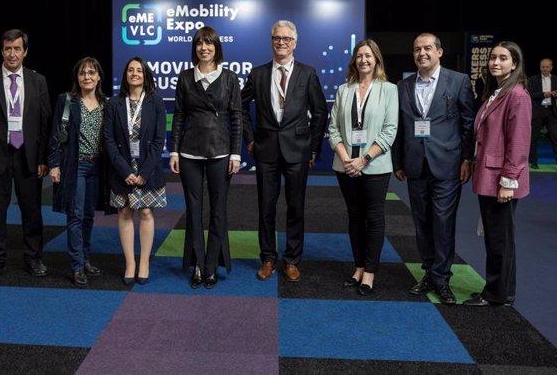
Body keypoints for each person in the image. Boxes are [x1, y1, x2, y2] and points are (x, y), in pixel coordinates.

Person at [392, 32, 475, 305]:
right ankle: (428, 272)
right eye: (417, 49)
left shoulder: (459, 81)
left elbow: (467, 123)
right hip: (415, 166)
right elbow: (401, 127)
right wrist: (399, 162)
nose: (422, 53)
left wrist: (467, 159)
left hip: (448, 165)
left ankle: (441, 279)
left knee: (442, 223)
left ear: (439, 52)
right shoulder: (402, 86)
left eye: (427, 48)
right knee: (422, 223)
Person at [241, 20, 328, 283]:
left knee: (295, 207)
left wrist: (313, 146)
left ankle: (291, 259)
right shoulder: (257, 74)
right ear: (271, 41)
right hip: (265, 149)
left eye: (287, 39)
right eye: (277, 38)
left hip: (297, 151)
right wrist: (250, 138)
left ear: (295, 43)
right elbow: (240, 108)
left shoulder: (308, 73)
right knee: (266, 208)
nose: (282, 42)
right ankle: (268, 258)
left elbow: (321, 112)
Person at [0, 29, 51, 280]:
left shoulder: (39, 81)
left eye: (17, 48)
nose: (12, 53)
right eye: (8, 49)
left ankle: (33, 258)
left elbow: (45, 123)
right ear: (1, 51)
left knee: (32, 211)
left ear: (25, 51)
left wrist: (43, 158)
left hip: (29, 156)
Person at [170, 26, 242, 289]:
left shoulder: (230, 78)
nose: (204, 47)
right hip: (189, 151)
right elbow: (179, 115)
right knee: (194, 211)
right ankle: (198, 265)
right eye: (200, 43)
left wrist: (236, 152)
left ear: (216, 47)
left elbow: (236, 116)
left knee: (218, 210)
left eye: (209, 43)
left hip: (221, 151)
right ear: (195, 48)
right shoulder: (185, 77)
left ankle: (211, 266)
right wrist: (174, 150)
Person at [328, 39, 398, 296]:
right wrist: (347, 158)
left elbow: (390, 130)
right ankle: (358, 267)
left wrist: (363, 159)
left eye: (368, 56)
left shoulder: (389, 90)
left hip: (375, 165)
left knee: (374, 218)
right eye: (359, 56)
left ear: (376, 59)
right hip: (345, 165)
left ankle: (370, 271)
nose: (364, 60)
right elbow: (333, 128)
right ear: (354, 61)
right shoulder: (344, 90)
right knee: (354, 217)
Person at [464, 41, 531, 307]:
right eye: (493, 57)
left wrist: (507, 182)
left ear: (515, 63)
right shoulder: (497, 92)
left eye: (503, 58)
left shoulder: (517, 95)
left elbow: (519, 143)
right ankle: (503, 292)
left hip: (501, 180)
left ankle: (495, 295)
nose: (496, 62)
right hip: (489, 175)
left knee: (499, 240)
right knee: (498, 239)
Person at [105, 57, 166, 286]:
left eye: (139, 70)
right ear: (125, 75)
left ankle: (144, 263)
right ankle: (130, 262)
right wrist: (124, 170)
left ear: (145, 75)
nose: (134, 73)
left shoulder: (156, 102)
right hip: (123, 169)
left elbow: (160, 140)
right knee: (125, 213)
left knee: (147, 213)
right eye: (130, 70)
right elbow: (109, 141)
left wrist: (146, 172)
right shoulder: (114, 103)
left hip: (147, 169)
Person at [48, 57, 107, 287]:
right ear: (77, 77)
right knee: (76, 216)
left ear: (99, 76)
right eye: (83, 73)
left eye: (92, 73)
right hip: (75, 166)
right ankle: (77, 266)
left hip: (97, 168)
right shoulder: (67, 101)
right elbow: (55, 136)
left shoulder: (107, 103)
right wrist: (54, 164)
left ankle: (86, 258)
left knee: (90, 216)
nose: (87, 77)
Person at [528, 58, 557, 170]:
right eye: (543, 67)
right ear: (540, 67)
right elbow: (530, 94)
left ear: (551, 67)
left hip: (551, 112)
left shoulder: (556, 79)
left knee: (555, 138)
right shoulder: (533, 79)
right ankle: (533, 162)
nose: (545, 69)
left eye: (547, 67)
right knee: (534, 138)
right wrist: (543, 94)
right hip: (538, 111)